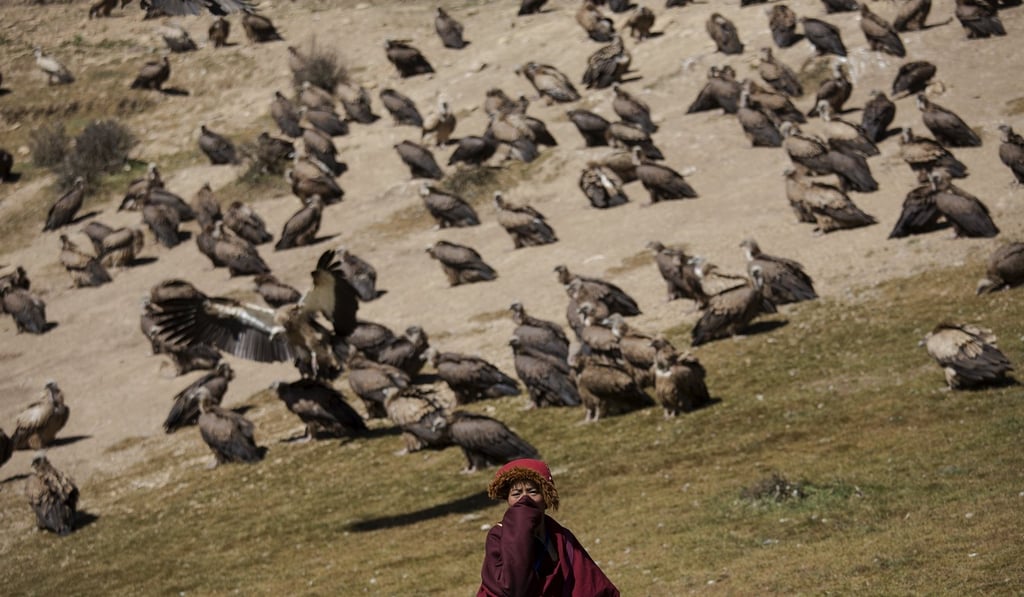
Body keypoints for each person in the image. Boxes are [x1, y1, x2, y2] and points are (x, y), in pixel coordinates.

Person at [477, 459, 620, 597]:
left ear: (545, 498)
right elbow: (515, 588)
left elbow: (590, 585)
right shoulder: (497, 536)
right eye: (516, 494)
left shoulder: (559, 536)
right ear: (507, 500)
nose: (524, 500)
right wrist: (520, 529)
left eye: (533, 492)